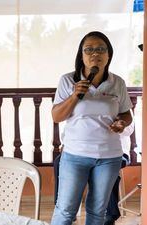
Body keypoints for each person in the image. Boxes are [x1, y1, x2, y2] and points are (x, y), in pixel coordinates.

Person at [50, 31, 133, 225]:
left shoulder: (117, 82)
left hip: (109, 157)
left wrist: (122, 122)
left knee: (97, 212)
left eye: (100, 49)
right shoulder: (68, 80)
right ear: (81, 55)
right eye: (89, 49)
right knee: (65, 211)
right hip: (74, 155)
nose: (95, 54)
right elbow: (56, 116)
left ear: (108, 55)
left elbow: (126, 114)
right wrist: (74, 95)